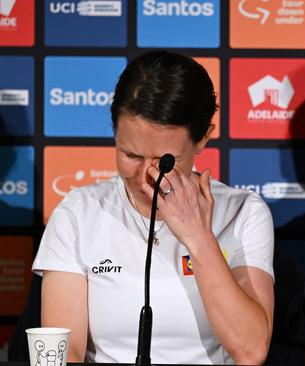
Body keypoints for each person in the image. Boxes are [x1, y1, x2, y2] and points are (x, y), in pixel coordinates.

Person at [32, 51, 275, 365]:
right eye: (130, 155)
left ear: (203, 139)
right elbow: (65, 353)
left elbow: (251, 350)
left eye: (165, 162)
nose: (145, 176)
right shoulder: (79, 213)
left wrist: (198, 238)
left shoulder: (244, 212)